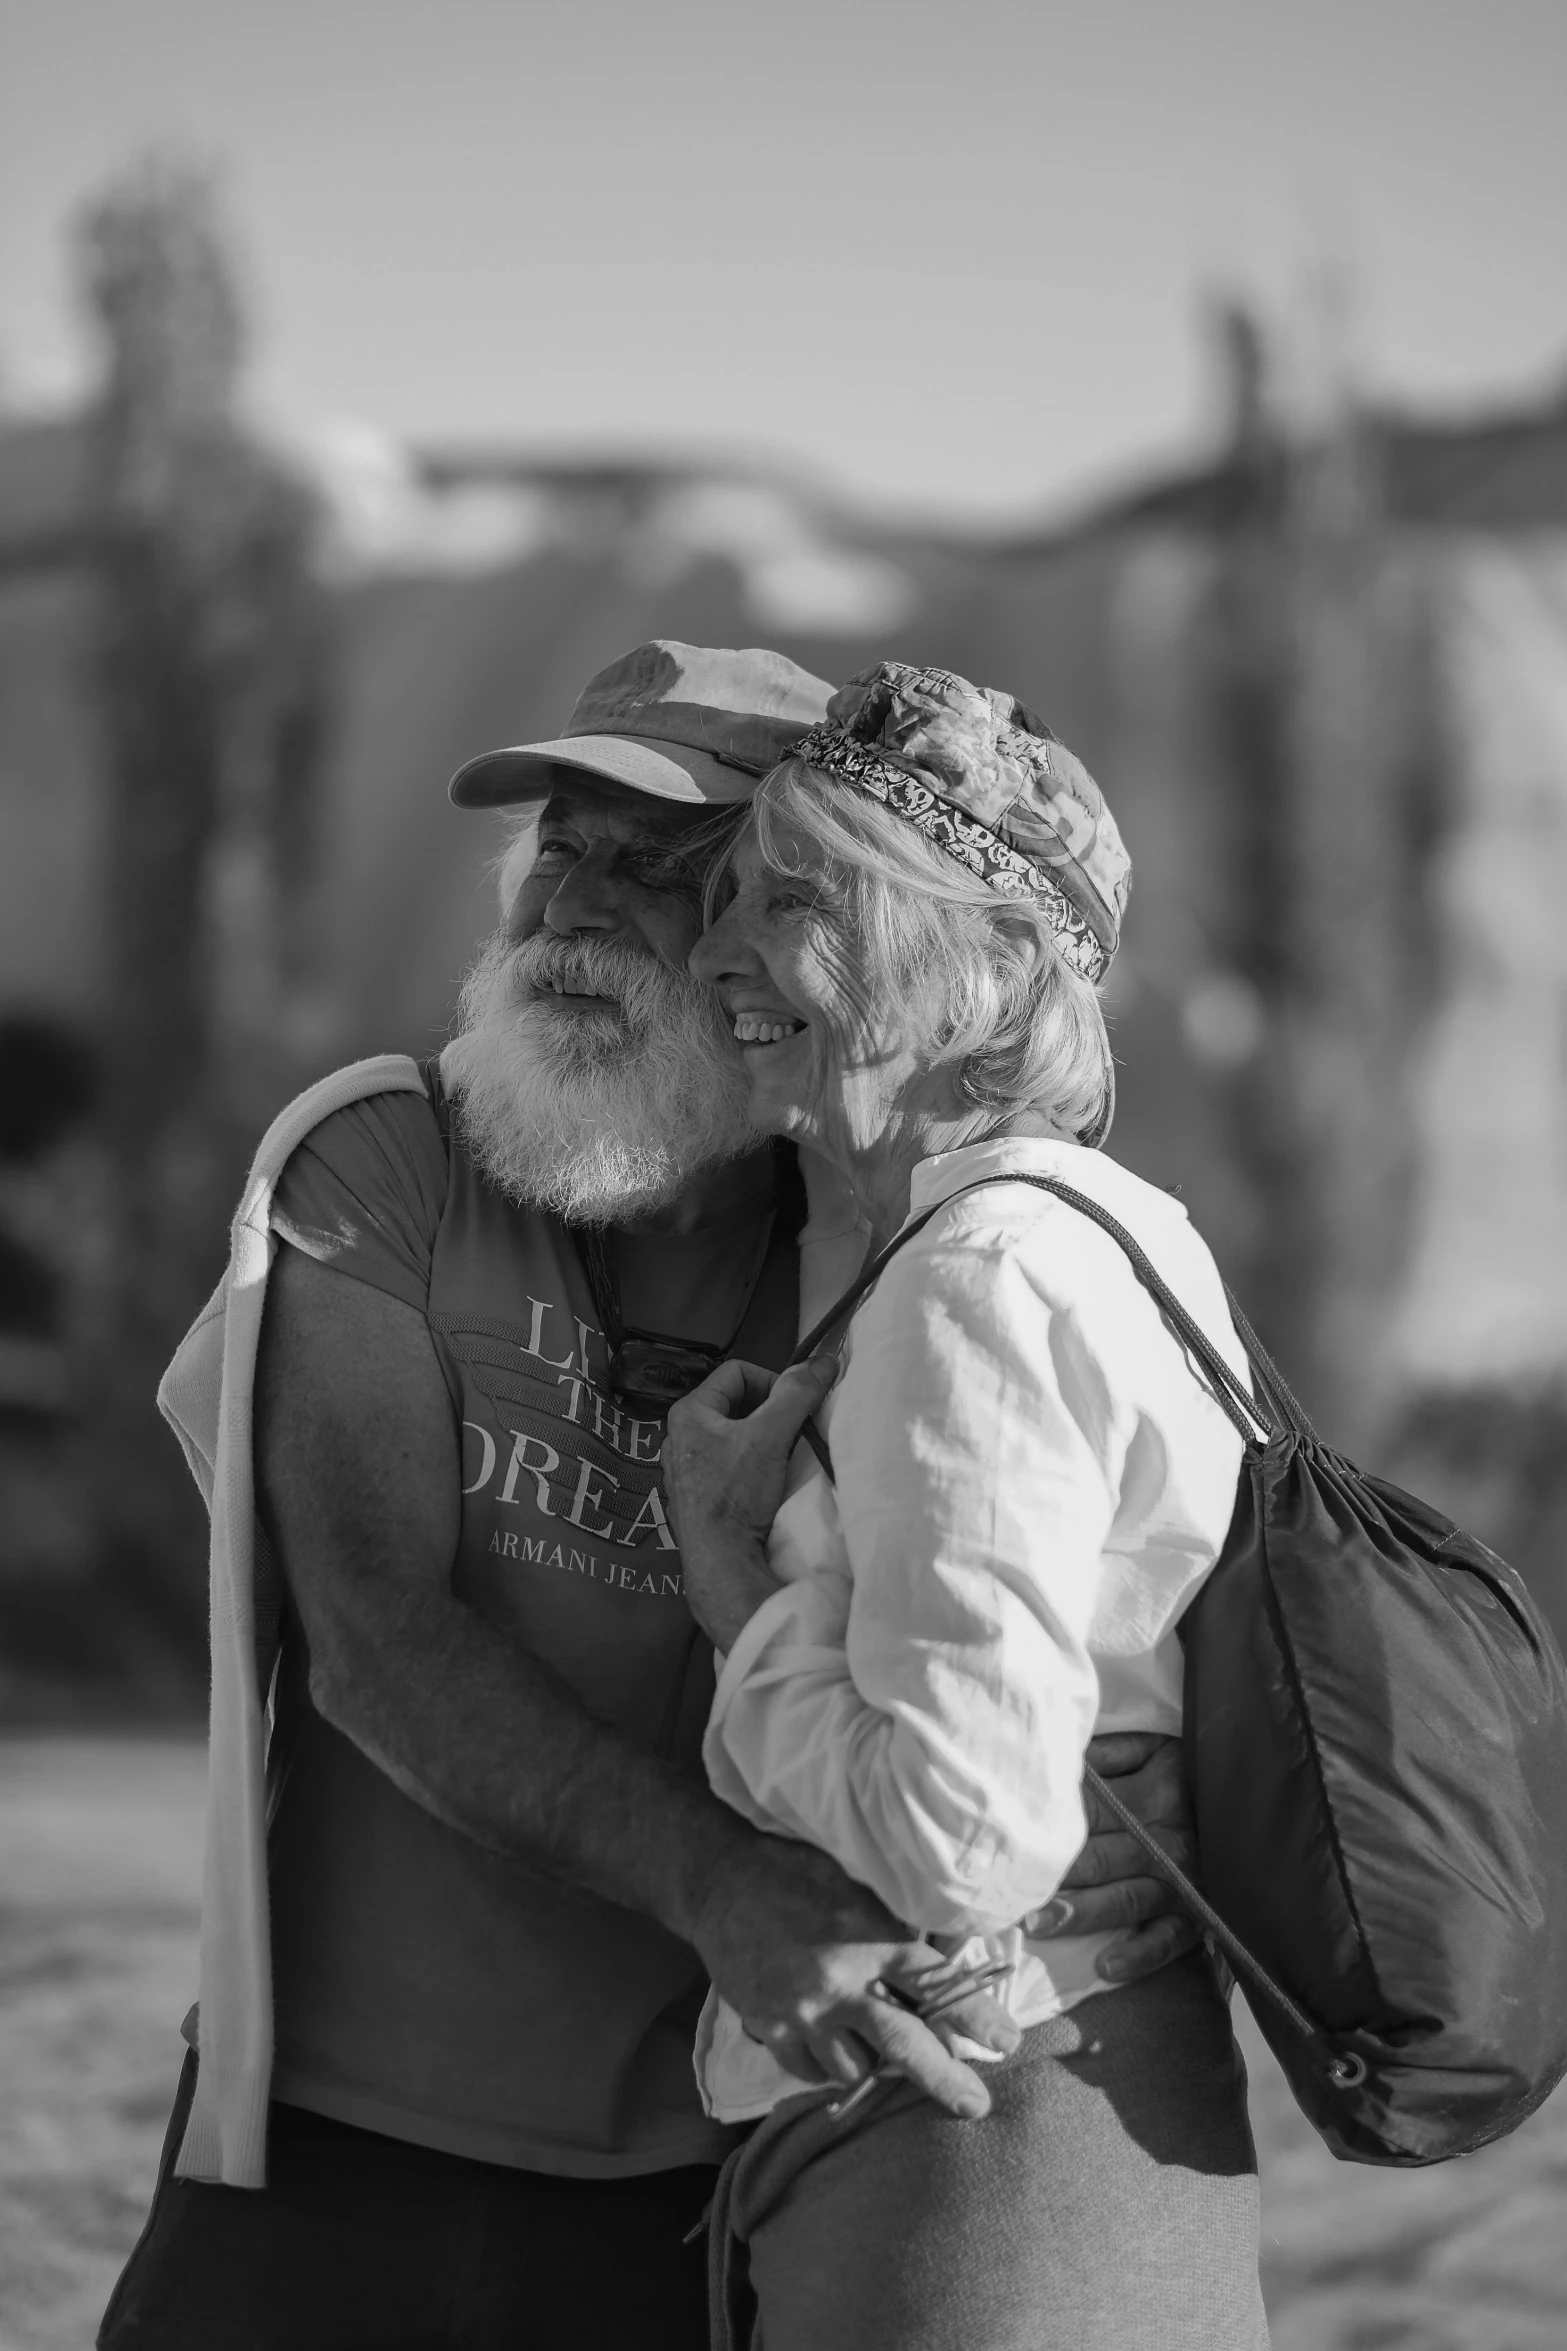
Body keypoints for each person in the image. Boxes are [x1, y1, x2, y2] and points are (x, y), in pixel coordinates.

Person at [100, 643, 1202, 2351]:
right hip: (320, 2142)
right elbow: (374, 1636)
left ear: (793, 928)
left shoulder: (891, 1255)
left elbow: (1088, 1607)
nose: (579, 901)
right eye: (564, 846)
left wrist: (1158, 1825)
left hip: (707, 2181)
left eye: (665, 866)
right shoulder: (377, 1158)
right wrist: (722, 1889)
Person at [664, 661, 1268, 2349]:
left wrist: (734, 1586)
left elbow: (962, 1834)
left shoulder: (980, 1280)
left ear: (989, 966)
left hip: (979, 2155)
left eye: (795, 899)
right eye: (722, 900)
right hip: (1036, 2108)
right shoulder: (1097, 1233)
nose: (716, 951)